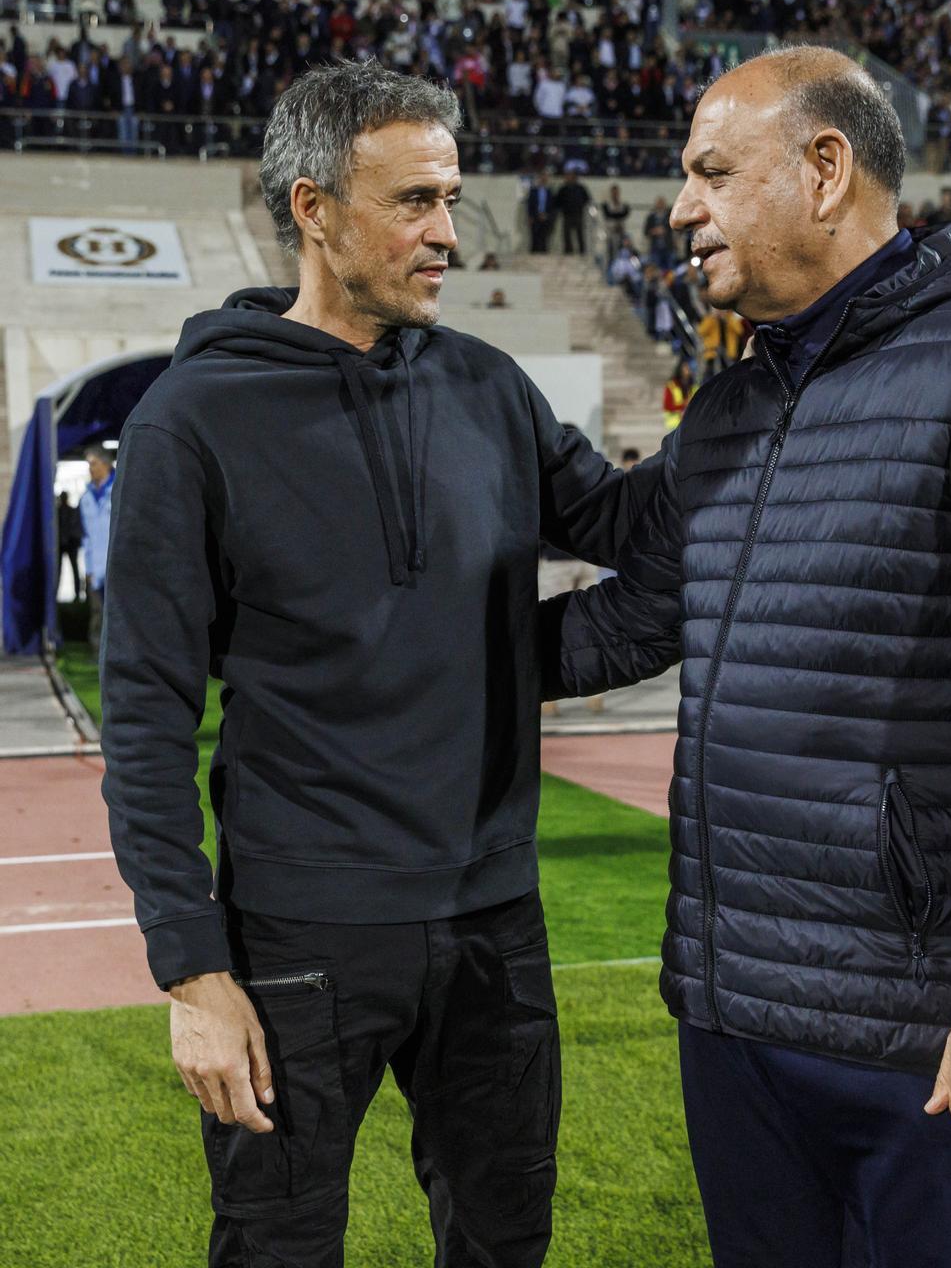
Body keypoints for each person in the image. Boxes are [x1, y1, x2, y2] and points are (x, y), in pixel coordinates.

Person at [541, 45, 951, 1268]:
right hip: (734, 1017)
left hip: (921, 1034)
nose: (680, 209)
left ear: (826, 170)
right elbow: (630, 611)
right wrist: (376, 651)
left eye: (713, 172)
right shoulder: (736, 401)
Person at [100, 62, 659, 1268]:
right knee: (278, 1246)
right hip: (296, 933)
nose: (447, 233)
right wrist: (190, 966)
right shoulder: (190, 421)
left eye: (451, 198)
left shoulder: (488, 385)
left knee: (508, 1237)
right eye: (413, 201)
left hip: (493, 920)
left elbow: (631, 529)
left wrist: (777, 399)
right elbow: (144, 712)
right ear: (313, 210)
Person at [79, 445, 114, 654]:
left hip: (118, 566)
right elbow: (86, 538)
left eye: (93, 464)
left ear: (105, 463)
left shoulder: (121, 487)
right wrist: (89, 569)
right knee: (97, 613)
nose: (90, 469)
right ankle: (97, 652)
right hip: (97, 569)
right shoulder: (86, 498)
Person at [555, 170, 591, 256]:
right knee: (566, 235)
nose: (569, 178)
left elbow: (587, 199)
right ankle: (568, 252)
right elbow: (557, 201)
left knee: (580, 234)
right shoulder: (563, 189)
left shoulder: (581, 188)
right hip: (567, 215)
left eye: (571, 176)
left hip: (578, 214)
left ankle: (582, 252)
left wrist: (580, 206)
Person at [57, 489, 82, 601]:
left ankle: (77, 594)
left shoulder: (71, 511)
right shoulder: (57, 512)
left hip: (70, 544)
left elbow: (76, 527)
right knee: (58, 571)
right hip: (61, 545)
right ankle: (55, 594)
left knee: (74, 569)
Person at [662, 357, 697, 430]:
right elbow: (667, 406)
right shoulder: (671, 385)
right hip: (674, 424)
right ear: (680, 369)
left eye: (689, 368)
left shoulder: (694, 386)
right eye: (686, 367)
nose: (688, 370)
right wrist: (684, 406)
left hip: (690, 424)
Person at [601, 183, 630, 264]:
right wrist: (618, 215)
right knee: (610, 252)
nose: (615, 194)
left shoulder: (622, 204)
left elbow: (625, 213)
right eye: (613, 192)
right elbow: (608, 215)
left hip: (621, 231)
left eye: (616, 192)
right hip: (610, 232)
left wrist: (615, 214)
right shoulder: (607, 204)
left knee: (622, 251)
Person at [526, 170, 555, 253]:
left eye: (545, 177)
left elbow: (551, 206)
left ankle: (544, 252)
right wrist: (530, 216)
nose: (543, 179)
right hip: (535, 216)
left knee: (544, 236)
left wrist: (547, 215)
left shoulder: (549, 192)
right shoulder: (533, 191)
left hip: (545, 216)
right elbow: (530, 204)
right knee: (534, 236)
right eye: (542, 177)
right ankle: (533, 252)